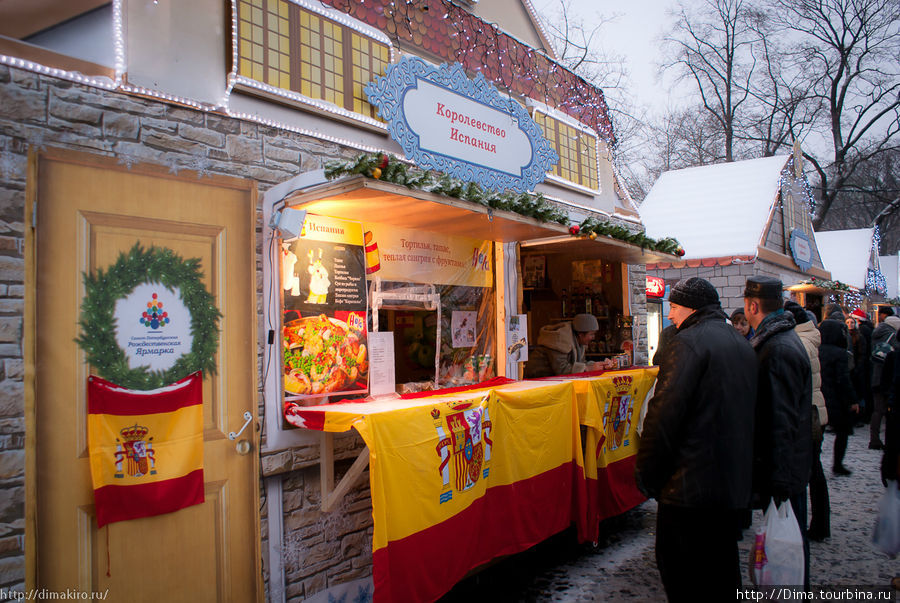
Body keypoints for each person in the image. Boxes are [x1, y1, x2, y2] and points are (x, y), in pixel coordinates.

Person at [635, 277, 757, 600]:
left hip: (689, 492)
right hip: (730, 487)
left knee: (683, 576)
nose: (671, 315)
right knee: (721, 573)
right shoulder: (740, 343)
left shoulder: (686, 344)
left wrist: (647, 476)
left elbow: (663, 417)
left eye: (673, 307)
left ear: (690, 307)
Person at [743, 276, 812, 587]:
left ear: (752, 305)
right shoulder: (777, 339)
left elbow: (780, 420)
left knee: (785, 547)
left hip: (783, 469)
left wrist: (779, 481)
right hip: (785, 466)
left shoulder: (777, 348)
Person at [785, 300, 830, 541]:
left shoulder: (799, 342)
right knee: (815, 471)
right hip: (815, 411)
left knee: (809, 472)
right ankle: (821, 523)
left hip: (808, 414)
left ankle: (816, 526)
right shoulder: (810, 336)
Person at [819, 317, 859, 475]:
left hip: (821, 397)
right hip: (836, 400)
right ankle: (837, 464)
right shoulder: (840, 353)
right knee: (842, 432)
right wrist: (852, 400)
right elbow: (843, 379)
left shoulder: (817, 350)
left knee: (818, 433)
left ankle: (814, 462)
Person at [524, 313, 599, 377]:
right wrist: (587, 368)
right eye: (591, 334)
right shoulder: (559, 342)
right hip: (533, 380)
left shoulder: (578, 342)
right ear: (580, 334)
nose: (593, 337)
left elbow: (580, 363)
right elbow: (562, 369)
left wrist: (598, 365)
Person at [870, 309, 900, 449]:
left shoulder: (877, 333)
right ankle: (887, 440)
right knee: (888, 411)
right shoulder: (892, 335)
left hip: (876, 374)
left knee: (877, 410)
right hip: (887, 377)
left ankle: (874, 438)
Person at [848, 308, 874, 425]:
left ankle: (860, 415)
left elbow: (862, 353)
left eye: (852, 322)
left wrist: (858, 367)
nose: (850, 324)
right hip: (859, 368)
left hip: (858, 369)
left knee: (859, 393)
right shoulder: (861, 332)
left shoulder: (860, 335)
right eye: (848, 322)